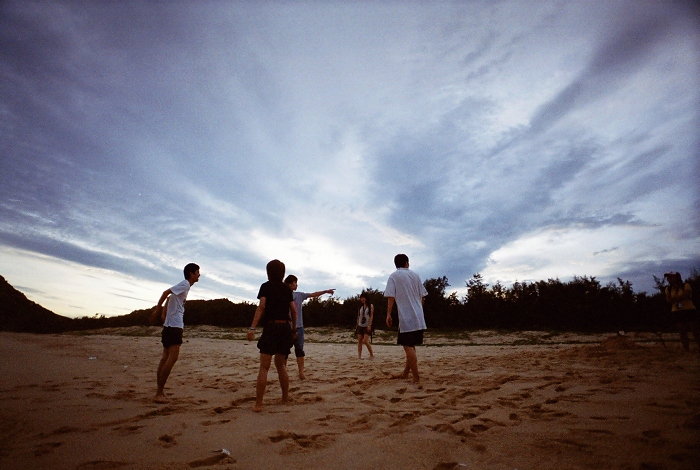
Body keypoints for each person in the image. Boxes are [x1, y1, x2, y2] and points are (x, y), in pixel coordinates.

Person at [247, 260, 298, 412]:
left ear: (268, 272)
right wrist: (293, 329)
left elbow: (262, 306)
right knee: (281, 365)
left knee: (264, 367)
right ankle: (285, 399)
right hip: (284, 328)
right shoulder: (287, 289)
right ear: (283, 273)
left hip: (271, 326)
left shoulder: (265, 286)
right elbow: (293, 311)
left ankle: (258, 404)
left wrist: (252, 327)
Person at [152, 263, 200, 403]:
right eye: (197, 272)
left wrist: (163, 313)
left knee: (165, 358)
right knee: (172, 358)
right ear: (191, 273)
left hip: (169, 326)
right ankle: (159, 393)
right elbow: (165, 293)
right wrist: (157, 310)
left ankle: (159, 391)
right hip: (174, 326)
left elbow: (169, 297)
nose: (199, 275)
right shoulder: (185, 284)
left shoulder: (183, 286)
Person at [384, 254, 427, 382]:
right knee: (411, 345)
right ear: (407, 263)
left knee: (407, 347)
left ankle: (416, 377)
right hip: (418, 316)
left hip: (406, 317)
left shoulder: (394, 276)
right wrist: (418, 310)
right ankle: (405, 373)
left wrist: (388, 314)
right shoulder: (415, 275)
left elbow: (391, 296)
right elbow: (422, 297)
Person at [284, 275, 335, 379]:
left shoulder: (299, 295)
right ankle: (283, 373)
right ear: (289, 284)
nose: (296, 285)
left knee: (300, 350)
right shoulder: (282, 296)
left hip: (299, 327)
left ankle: (301, 373)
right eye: (295, 283)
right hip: (285, 328)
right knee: (284, 352)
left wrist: (325, 291)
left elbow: (314, 294)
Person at [664, 272, 700, 352]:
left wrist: (675, 298)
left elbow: (686, 295)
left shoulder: (685, 285)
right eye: (668, 278)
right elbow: (668, 300)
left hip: (689, 309)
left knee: (694, 330)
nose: (669, 279)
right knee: (682, 331)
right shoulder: (668, 289)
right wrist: (680, 297)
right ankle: (686, 350)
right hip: (677, 311)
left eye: (671, 277)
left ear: (676, 278)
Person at [356, 292, 374, 359]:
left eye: (363, 298)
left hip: (367, 325)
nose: (362, 299)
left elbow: (371, 316)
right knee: (359, 341)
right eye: (361, 298)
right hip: (360, 325)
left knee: (365, 341)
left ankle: (371, 354)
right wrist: (357, 324)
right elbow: (359, 316)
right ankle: (359, 356)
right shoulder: (360, 306)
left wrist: (369, 325)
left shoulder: (370, 306)